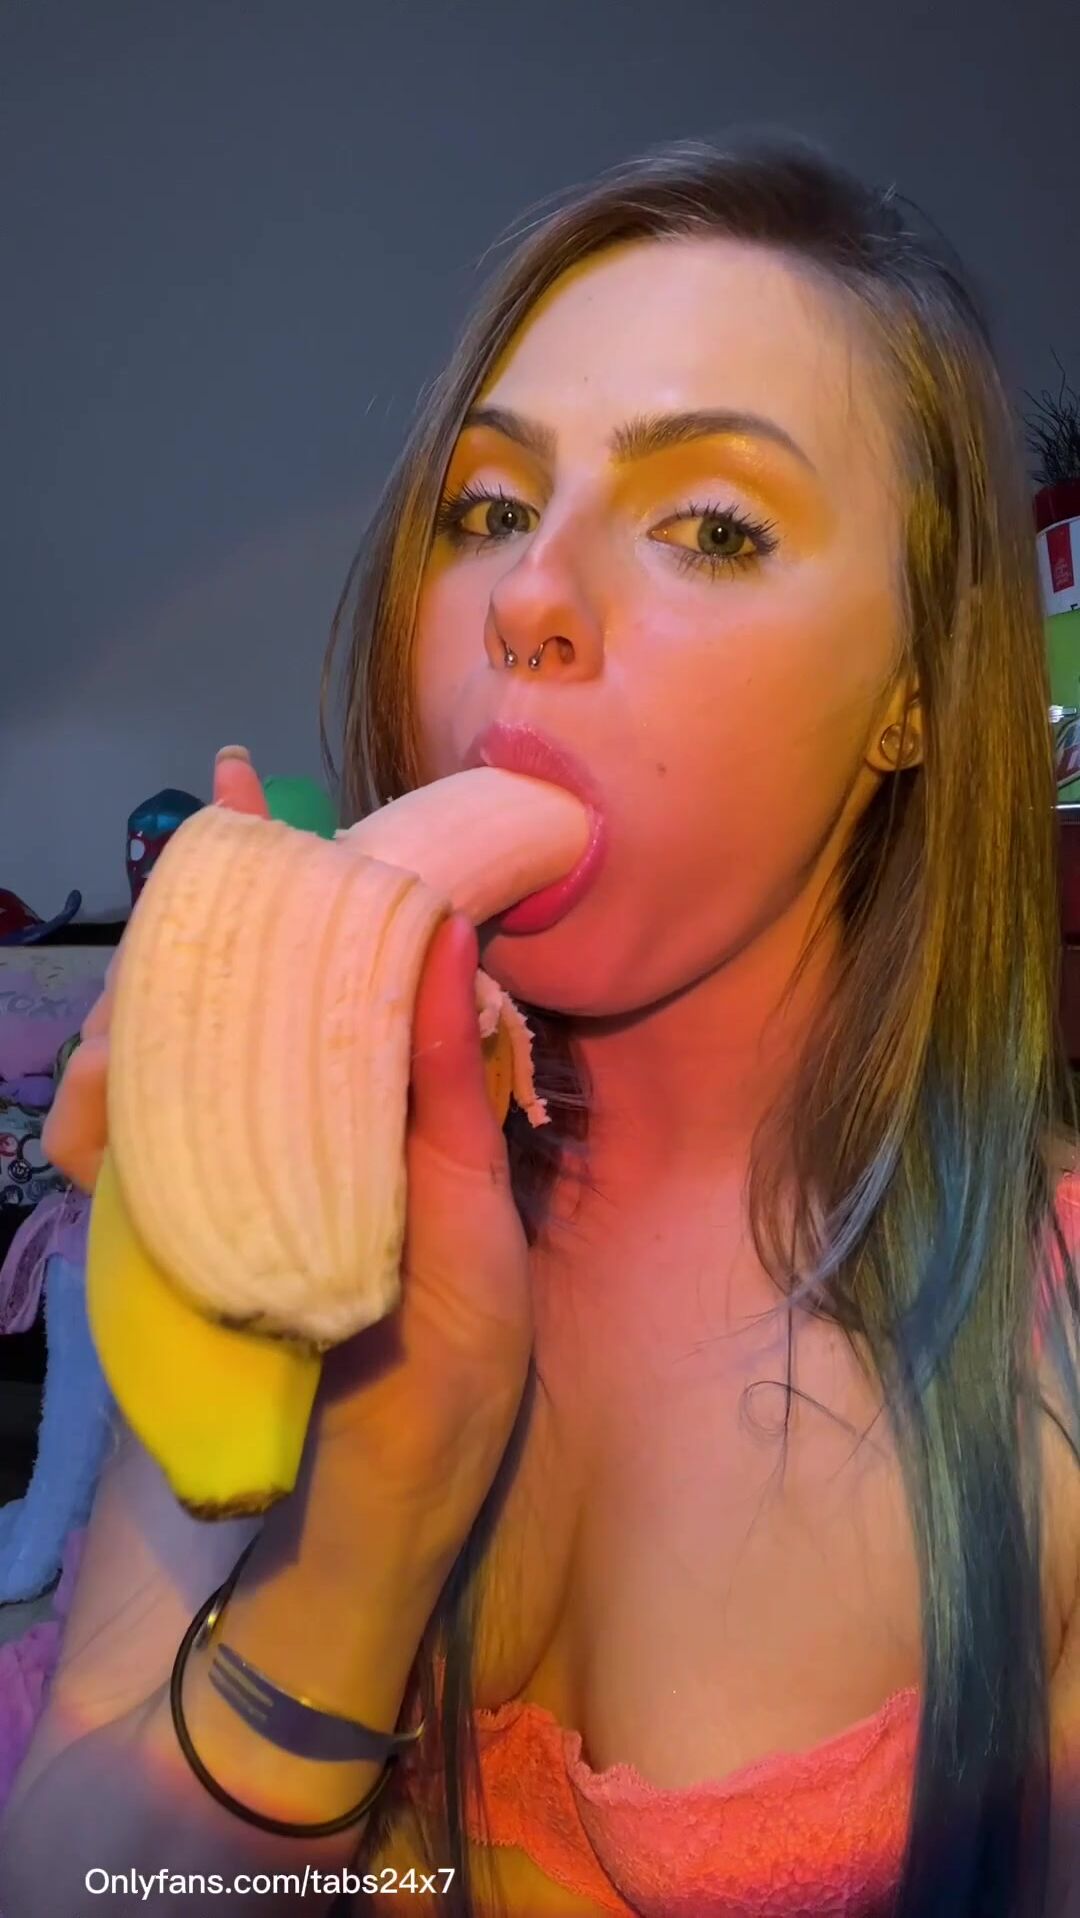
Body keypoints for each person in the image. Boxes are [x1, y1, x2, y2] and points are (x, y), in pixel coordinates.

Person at [2, 131, 1079, 1918]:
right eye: (492, 509)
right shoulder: (290, 1200)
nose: (524, 601)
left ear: (910, 688)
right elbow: (72, 1880)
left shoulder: (1051, 1336)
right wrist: (361, 1532)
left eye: (713, 526)